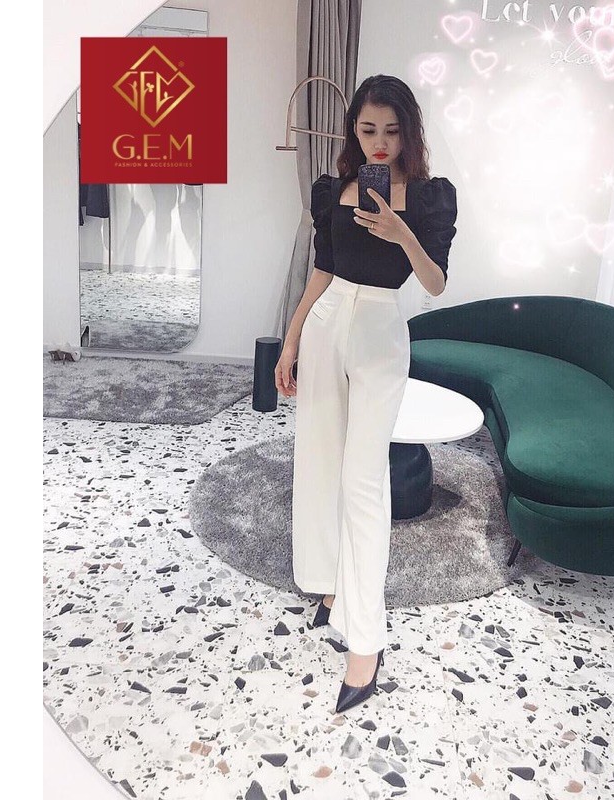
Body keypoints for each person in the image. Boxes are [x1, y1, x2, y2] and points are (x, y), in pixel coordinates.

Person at [275, 74, 458, 715]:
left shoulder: (430, 198)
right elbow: (322, 270)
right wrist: (291, 341)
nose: (380, 142)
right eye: (368, 129)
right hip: (326, 327)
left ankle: (367, 643)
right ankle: (330, 586)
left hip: (381, 332)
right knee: (320, 463)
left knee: (363, 482)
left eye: (392, 130)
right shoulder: (334, 189)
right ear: (353, 130)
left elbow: (434, 283)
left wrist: (400, 233)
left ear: (410, 132)